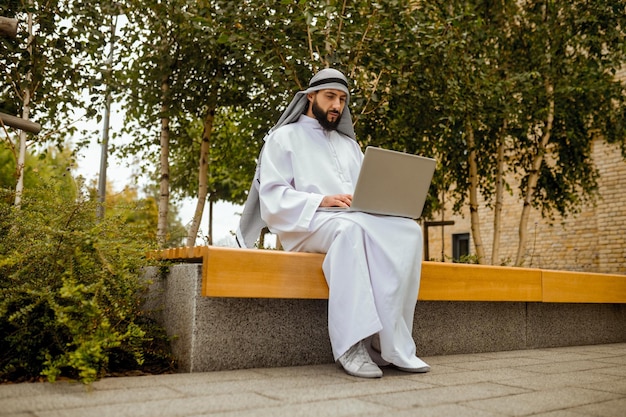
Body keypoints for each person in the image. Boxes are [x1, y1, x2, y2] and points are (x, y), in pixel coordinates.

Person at [237, 68, 430, 378]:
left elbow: (364, 195)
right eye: (330, 97)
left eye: (342, 99)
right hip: (305, 225)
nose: (336, 105)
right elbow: (272, 198)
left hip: (351, 221)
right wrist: (321, 200)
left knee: (408, 231)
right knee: (350, 231)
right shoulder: (283, 138)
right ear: (310, 97)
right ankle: (350, 345)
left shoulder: (349, 145)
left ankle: (390, 344)